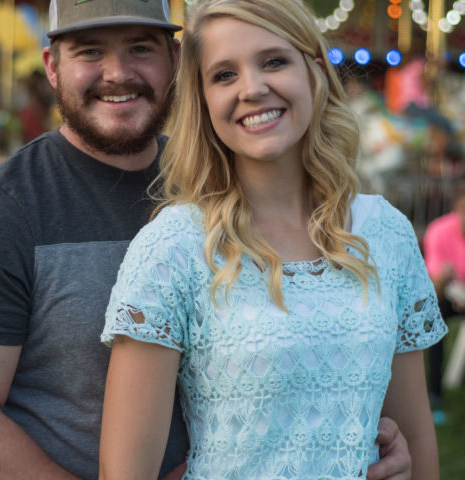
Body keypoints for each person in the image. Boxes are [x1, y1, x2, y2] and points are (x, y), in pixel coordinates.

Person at [0, 1, 413, 479]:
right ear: (52, 66)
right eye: (90, 51)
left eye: (139, 48)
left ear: (176, 61)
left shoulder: (228, 180)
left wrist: (368, 443)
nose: (117, 73)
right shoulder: (6, 210)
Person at [99, 0, 446, 479]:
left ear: (316, 72)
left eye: (274, 61)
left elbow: (415, 436)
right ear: (202, 102)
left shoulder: (384, 232)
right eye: (224, 75)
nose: (253, 88)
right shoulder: (174, 247)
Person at [423, 182, 465, 414]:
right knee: (434, 314)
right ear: (455, 209)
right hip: (446, 296)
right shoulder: (438, 230)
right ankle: (435, 391)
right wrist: (446, 279)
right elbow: (432, 288)